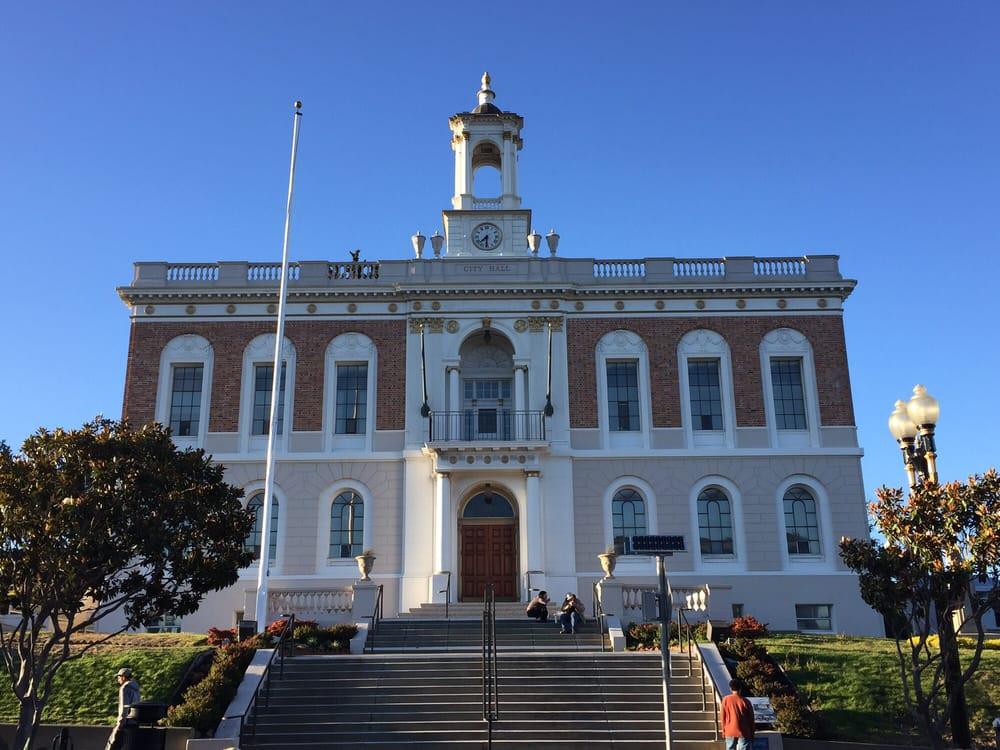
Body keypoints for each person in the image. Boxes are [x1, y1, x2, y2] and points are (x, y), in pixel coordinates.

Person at [105, 667, 141, 750]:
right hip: (134, 723)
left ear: (123, 677)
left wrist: (120, 723)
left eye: (119, 677)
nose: (118, 680)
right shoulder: (136, 689)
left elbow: (124, 707)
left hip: (125, 723)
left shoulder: (124, 688)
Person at [720, 677, 755, 750]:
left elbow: (723, 717)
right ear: (740, 688)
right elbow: (751, 718)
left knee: (730, 748)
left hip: (729, 730)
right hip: (744, 731)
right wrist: (752, 731)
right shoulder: (746, 701)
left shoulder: (725, 700)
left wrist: (723, 730)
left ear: (730, 688)